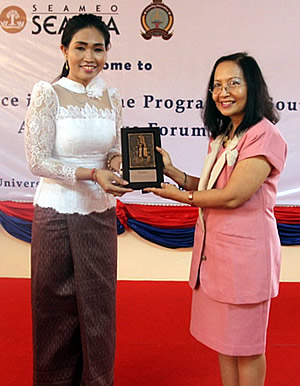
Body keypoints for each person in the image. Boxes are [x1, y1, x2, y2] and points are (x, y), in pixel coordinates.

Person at [145, 52, 287, 385]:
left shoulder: (264, 135)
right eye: (217, 85)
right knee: (226, 344)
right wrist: (171, 172)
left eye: (233, 83)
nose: (223, 92)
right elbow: (212, 186)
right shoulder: (224, 134)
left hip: (246, 262)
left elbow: (233, 195)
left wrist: (177, 197)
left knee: (247, 348)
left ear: (251, 87)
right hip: (218, 258)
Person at [25, 14, 132, 386]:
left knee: (99, 307)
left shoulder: (112, 96)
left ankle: (98, 380)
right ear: (64, 50)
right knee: (55, 306)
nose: (90, 56)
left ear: (107, 52)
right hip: (56, 212)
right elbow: (38, 160)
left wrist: (120, 165)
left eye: (98, 48)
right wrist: (91, 174)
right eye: (81, 47)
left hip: (99, 211)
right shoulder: (47, 93)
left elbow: (114, 150)